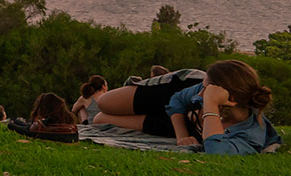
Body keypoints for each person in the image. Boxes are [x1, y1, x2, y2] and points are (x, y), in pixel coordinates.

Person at [95, 60, 281, 154]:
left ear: (229, 98)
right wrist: (182, 135)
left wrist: (210, 105)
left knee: (100, 119)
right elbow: (177, 100)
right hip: (172, 98)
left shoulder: (249, 135)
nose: (198, 95)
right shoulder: (197, 88)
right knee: (104, 103)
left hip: (177, 123)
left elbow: (216, 151)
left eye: (205, 91)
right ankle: (140, 83)